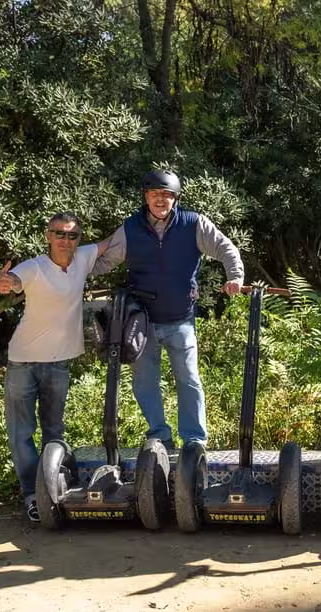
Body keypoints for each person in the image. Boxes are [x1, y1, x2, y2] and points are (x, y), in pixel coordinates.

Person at [91, 169, 244, 452]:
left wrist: (234, 277)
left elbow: (226, 248)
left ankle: (194, 441)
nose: (160, 200)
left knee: (189, 379)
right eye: (154, 194)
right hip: (142, 323)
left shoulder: (193, 224)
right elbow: (104, 262)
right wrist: (70, 270)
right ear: (146, 197)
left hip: (181, 319)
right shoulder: (131, 228)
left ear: (175, 198)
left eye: (166, 195)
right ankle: (160, 436)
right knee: (145, 383)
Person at [0, 212, 110, 522]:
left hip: (58, 363)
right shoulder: (34, 266)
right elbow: (2, 282)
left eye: (72, 235)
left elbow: (113, 242)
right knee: (22, 433)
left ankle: (55, 488)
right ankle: (33, 496)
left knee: (55, 430)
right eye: (59, 234)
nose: (66, 240)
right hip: (23, 362)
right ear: (47, 235)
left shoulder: (82, 257)